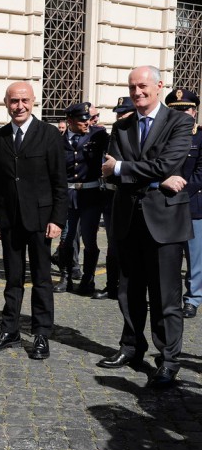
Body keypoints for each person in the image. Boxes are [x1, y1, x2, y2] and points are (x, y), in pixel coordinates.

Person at [97, 66, 193, 389]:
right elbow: (109, 171)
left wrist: (127, 168)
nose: (137, 92)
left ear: (158, 86)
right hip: (127, 218)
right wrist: (154, 177)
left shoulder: (180, 121)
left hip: (165, 221)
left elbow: (166, 163)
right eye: (132, 87)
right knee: (129, 291)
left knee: (166, 295)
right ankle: (131, 346)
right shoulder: (122, 127)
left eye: (142, 86)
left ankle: (168, 360)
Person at [0, 81, 67, 359]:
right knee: (12, 279)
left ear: (33, 103)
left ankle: (41, 334)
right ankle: (10, 331)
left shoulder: (49, 135)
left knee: (42, 279)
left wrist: (58, 219)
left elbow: (59, 182)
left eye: (24, 101)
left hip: (41, 220)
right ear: (6, 104)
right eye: (14, 101)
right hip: (9, 220)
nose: (19, 106)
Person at [54, 102, 109, 295]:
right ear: (70, 121)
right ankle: (66, 277)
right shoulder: (58, 140)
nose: (87, 123)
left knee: (90, 240)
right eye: (82, 120)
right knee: (66, 240)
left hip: (90, 196)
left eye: (89, 119)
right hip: (67, 197)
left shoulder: (98, 135)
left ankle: (88, 280)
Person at [92, 96, 136, 300]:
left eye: (123, 113)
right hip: (111, 196)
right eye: (118, 114)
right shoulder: (111, 137)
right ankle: (111, 286)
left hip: (131, 196)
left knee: (131, 245)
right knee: (113, 244)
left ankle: (129, 289)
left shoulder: (138, 138)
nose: (119, 117)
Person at [164, 88, 202, 319]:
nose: (181, 115)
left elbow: (200, 174)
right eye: (175, 112)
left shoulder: (200, 137)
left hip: (192, 204)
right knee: (169, 255)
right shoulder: (164, 137)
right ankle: (170, 297)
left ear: (194, 112)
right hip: (166, 204)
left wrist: (177, 188)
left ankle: (193, 298)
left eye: (185, 110)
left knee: (194, 256)